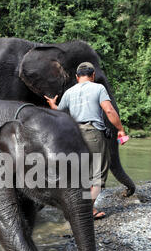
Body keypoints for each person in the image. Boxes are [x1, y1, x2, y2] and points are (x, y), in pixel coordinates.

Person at [44, 62, 127, 219]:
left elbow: (60, 114)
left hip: (74, 135)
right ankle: (87, 210)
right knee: (97, 175)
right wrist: (121, 129)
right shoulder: (98, 88)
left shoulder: (69, 92)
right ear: (93, 75)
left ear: (77, 77)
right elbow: (109, 110)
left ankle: (73, 207)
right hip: (92, 133)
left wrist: (52, 105)